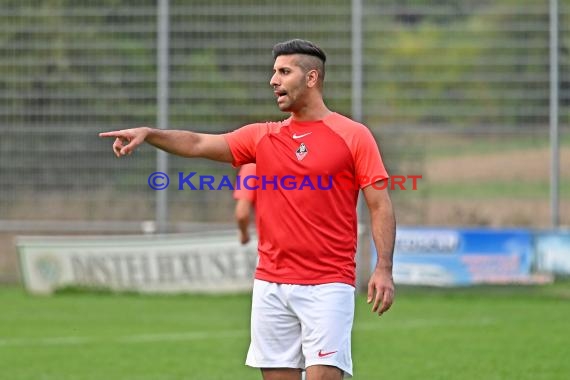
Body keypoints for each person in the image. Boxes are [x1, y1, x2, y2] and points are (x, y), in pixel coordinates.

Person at [100, 39, 396, 380]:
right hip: (271, 284)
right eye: (273, 72)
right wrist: (150, 134)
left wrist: (383, 268)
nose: (274, 80)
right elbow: (197, 143)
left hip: (328, 284)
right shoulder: (262, 137)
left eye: (284, 72)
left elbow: (380, 204)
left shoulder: (353, 136)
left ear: (312, 78)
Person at [234, 163, 257, 245]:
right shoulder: (292, 160)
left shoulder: (251, 167)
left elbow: (242, 214)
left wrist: (244, 234)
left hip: (273, 251)